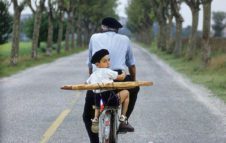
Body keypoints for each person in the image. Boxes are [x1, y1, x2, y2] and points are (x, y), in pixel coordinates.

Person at [83, 17, 140, 143]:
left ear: (103, 27)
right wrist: (133, 82)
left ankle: (94, 141)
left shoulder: (94, 37)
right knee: (134, 88)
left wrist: (92, 81)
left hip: (99, 79)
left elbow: (90, 65)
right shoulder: (125, 39)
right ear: (117, 30)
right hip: (119, 77)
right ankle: (123, 120)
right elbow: (132, 65)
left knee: (87, 116)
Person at [86, 49, 130, 133]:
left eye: (108, 60)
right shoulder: (108, 71)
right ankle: (123, 117)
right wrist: (124, 73)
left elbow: (87, 83)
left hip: (99, 102)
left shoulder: (93, 74)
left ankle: (95, 119)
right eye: (105, 61)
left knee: (97, 99)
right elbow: (121, 78)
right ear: (97, 64)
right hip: (110, 100)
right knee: (126, 93)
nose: (108, 62)